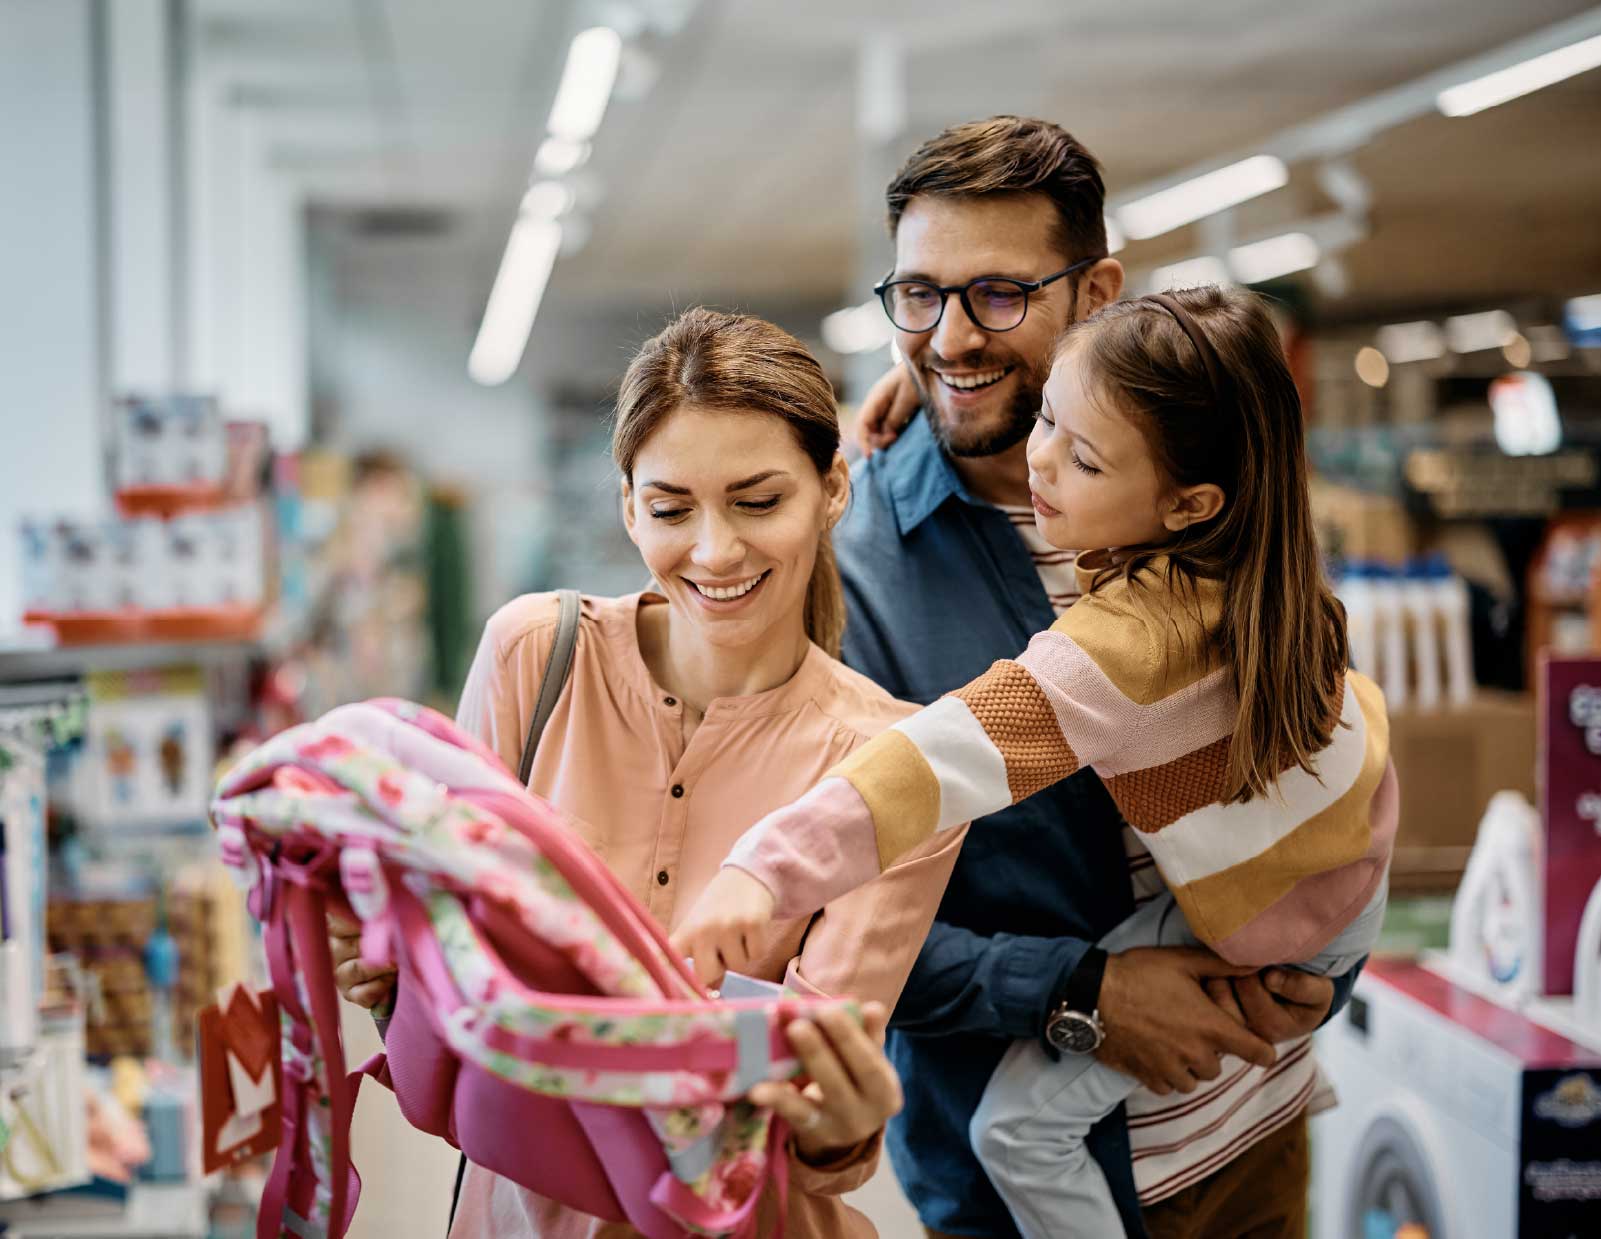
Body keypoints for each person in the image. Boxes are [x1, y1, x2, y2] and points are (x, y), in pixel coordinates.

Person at [703, 118, 1362, 1239]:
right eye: (917, 295)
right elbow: (803, 926)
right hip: (1022, 1178)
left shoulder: (1206, 493)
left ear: (1097, 291)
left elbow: (1313, 738)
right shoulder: (846, 568)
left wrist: (1318, 957)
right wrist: (1077, 995)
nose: (948, 339)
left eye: (996, 295)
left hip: (1251, 1131)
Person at [330, 307, 966, 1238]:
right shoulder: (533, 658)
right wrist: (387, 965)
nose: (714, 551)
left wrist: (839, 1120)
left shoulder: (890, 768)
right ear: (628, 506)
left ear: (832, 488)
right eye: (671, 509)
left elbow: (809, 1133)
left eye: (757, 501)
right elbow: (442, 988)